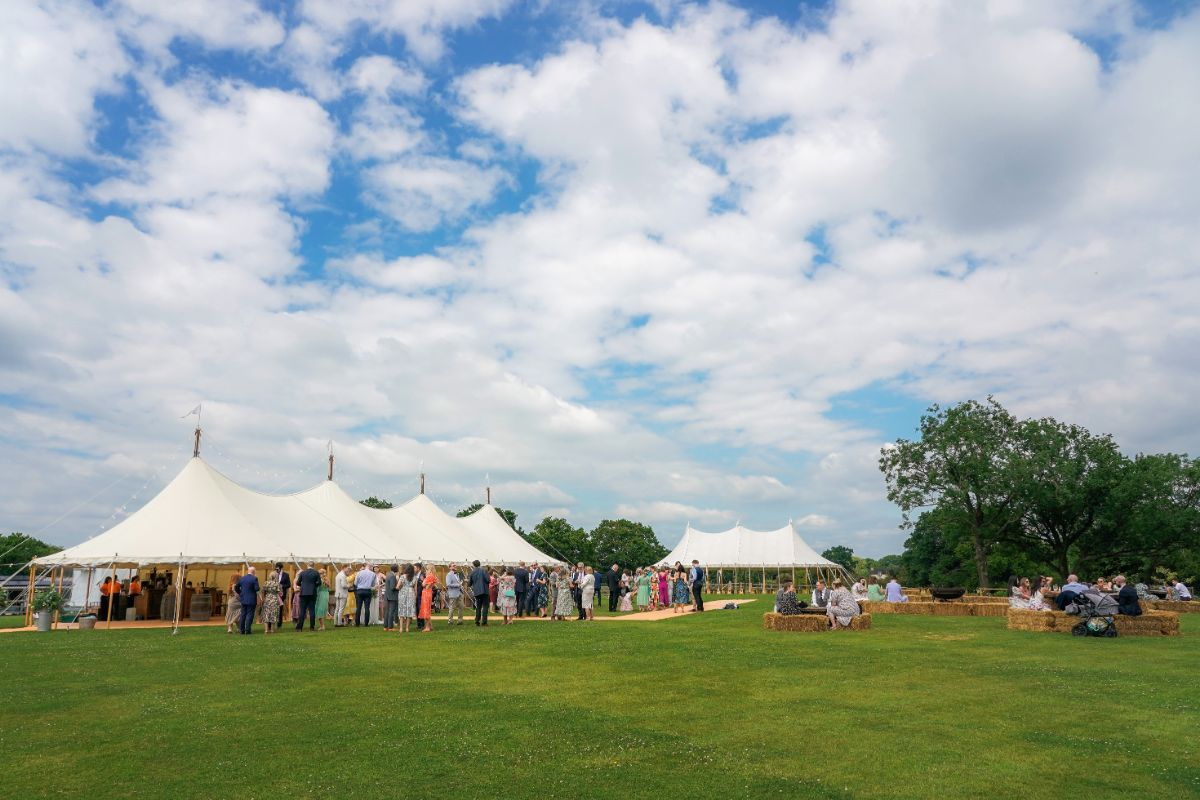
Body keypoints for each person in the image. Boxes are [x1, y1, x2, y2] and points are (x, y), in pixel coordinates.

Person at [295, 562, 321, 632]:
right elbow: (319, 583)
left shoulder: (302, 573)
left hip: (303, 593)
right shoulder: (316, 573)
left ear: (307, 565)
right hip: (312, 593)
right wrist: (314, 585)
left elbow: (297, 582)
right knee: (312, 610)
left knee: (302, 611)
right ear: (314, 566)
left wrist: (303, 585)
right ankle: (312, 627)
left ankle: (299, 628)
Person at [235, 567, 259, 635]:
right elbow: (257, 589)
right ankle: (247, 630)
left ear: (248, 571)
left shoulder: (242, 578)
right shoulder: (254, 578)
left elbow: (236, 587)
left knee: (243, 614)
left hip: (243, 599)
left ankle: (241, 630)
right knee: (250, 614)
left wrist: (240, 593)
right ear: (254, 572)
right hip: (251, 599)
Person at [396, 564, 417, 633]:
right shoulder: (414, 577)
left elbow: (398, 587)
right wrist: (415, 597)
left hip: (403, 594)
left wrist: (400, 587)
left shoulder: (402, 577)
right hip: (411, 593)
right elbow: (415, 589)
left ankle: (401, 628)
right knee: (409, 611)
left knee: (402, 610)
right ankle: (407, 628)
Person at [468, 560, 489, 626]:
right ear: (479, 564)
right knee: (485, 607)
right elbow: (488, 580)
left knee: (478, 607)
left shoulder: (472, 572)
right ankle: (484, 622)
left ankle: (477, 621)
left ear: (473, 565)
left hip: (477, 592)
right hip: (485, 591)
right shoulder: (484, 570)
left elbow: (469, 584)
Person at [261, 569, 281, 635]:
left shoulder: (266, 583)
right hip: (274, 599)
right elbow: (280, 592)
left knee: (266, 614)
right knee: (273, 614)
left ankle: (266, 630)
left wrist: (263, 598)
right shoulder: (277, 584)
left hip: (267, 599)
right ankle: (272, 630)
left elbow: (263, 591)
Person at [419, 567, 437, 632]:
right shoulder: (431, 576)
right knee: (427, 610)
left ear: (430, 570)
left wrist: (424, 580)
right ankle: (430, 626)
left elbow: (424, 585)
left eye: (427, 569)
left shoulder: (429, 576)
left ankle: (427, 627)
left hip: (426, 593)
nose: (426, 570)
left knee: (426, 610)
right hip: (427, 593)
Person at [274, 562, 292, 628]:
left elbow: (289, 584)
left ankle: (279, 623)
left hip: (282, 594)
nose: (277, 570)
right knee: (274, 608)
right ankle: (272, 622)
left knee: (280, 608)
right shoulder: (274, 574)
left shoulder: (286, 575)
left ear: (281, 568)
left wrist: (282, 586)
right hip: (274, 594)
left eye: (278, 568)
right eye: (276, 568)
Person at [383, 564, 400, 631]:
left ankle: (385, 627)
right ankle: (390, 627)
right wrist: (398, 588)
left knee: (387, 612)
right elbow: (393, 587)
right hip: (392, 596)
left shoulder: (388, 574)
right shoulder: (392, 576)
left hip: (387, 595)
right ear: (396, 569)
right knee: (391, 612)